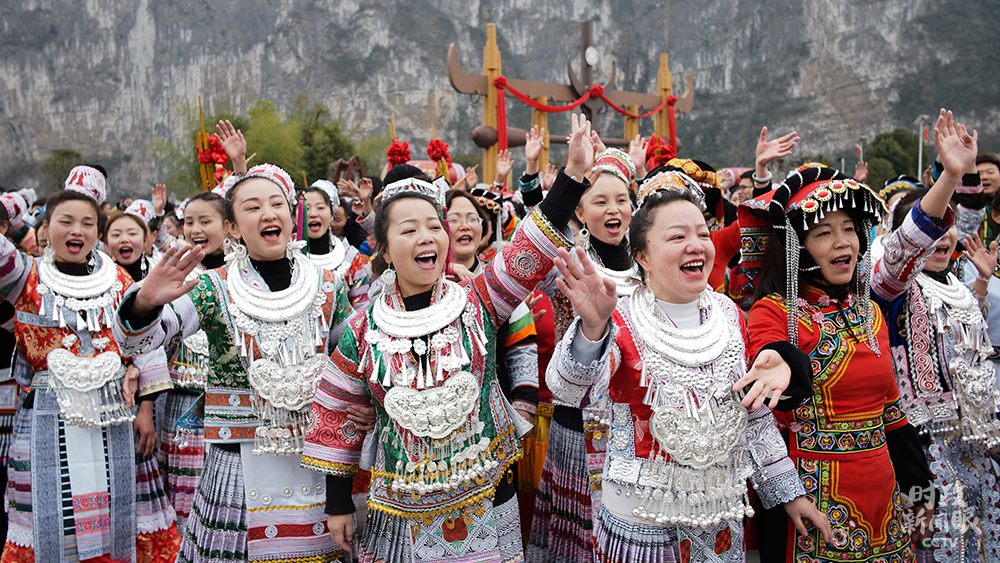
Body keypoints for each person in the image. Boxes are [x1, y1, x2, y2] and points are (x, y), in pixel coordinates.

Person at [301, 114, 598, 562]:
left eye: (433, 226)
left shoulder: (479, 300)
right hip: (402, 513)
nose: (427, 237)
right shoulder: (363, 331)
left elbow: (528, 248)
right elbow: (336, 416)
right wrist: (338, 503)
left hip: (487, 498)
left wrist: (572, 174)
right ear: (384, 250)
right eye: (409, 230)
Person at [546, 169, 827, 562]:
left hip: (720, 514)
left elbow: (753, 414)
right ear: (642, 255)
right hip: (642, 521)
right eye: (677, 237)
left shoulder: (728, 314)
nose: (696, 245)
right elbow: (568, 390)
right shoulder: (622, 319)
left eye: (702, 234)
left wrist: (788, 493)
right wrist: (592, 329)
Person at [741, 109, 974, 562]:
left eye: (849, 229)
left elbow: (893, 414)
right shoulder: (776, 312)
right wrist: (779, 359)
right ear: (797, 248)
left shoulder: (869, 310)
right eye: (824, 233)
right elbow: (770, 354)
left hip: (883, 499)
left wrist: (920, 489)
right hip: (811, 502)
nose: (843, 242)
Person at [114, 163, 359, 562]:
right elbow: (145, 338)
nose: (268, 214)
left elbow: (352, 359)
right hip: (238, 462)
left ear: (291, 216)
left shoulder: (326, 284)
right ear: (231, 226)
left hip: (315, 457)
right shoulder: (213, 286)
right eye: (252, 207)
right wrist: (144, 303)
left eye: (277, 204)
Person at [0, 165, 167, 561]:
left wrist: (146, 407)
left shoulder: (120, 281)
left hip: (114, 419)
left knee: (115, 516)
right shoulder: (26, 276)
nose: (77, 230)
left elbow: (146, 344)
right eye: (66, 221)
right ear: (46, 227)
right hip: (46, 418)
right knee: (50, 518)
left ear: (98, 233)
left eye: (87, 223)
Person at [527, 147, 640, 563]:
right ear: (580, 211)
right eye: (600, 200)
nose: (613, 209)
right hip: (579, 418)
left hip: (634, 422)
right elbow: (534, 238)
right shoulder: (567, 261)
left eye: (622, 199)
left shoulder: (647, 262)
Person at [879, 187, 1000, 560]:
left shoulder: (956, 285)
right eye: (932, 227)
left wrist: (981, 283)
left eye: (947, 226)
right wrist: (950, 177)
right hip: (922, 448)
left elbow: (962, 340)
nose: (943, 236)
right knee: (933, 543)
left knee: (975, 542)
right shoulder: (896, 288)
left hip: (971, 446)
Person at [104, 200, 182, 560]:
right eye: (116, 233)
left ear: (148, 239)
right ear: (104, 241)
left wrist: (146, 407)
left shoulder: (150, 278)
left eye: (132, 232)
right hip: (106, 398)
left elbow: (150, 346)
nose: (125, 239)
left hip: (150, 399)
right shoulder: (103, 279)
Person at [305, 179, 371, 309]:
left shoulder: (350, 257)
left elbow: (362, 307)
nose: (313, 214)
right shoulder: (286, 254)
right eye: (306, 208)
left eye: (320, 207)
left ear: (332, 215)